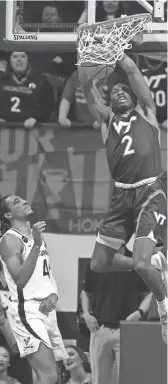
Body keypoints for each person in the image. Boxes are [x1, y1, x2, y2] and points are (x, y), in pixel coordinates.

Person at [77, 49, 167, 343]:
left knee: (140, 264)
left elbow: (129, 70)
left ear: (133, 98)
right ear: (110, 102)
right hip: (121, 196)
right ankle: (158, 262)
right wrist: (87, 57)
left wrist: (116, 50)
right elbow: (86, 86)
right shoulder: (106, 122)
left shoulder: (147, 114)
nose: (119, 92)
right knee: (98, 264)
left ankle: (165, 308)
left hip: (149, 192)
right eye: (114, 92)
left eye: (124, 91)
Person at [0, 195, 68, 384]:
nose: (23, 201)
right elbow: (20, 279)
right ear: (8, 214)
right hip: (27, 311)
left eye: (22, 199)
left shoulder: (35, 235)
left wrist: (54, 294)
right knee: (49, 376)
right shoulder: (9, 241)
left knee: (55, 376)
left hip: (47, 309)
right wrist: (37, 245)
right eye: (16, 202)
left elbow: (46, 274)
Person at [80, 249, 153, 384]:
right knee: (98, 381)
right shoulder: (96, 261)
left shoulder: (135, 261)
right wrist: (86, 313)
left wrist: (139, 313)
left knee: (130, 379)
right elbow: (85, 291)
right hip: (99, 329)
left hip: (128, 330)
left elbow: (149, 293)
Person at [0, 52, 55, 128]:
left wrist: (36, 118)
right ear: (10, 60)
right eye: (15, 57)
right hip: (4, 130)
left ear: (28, 60)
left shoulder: (40, 80)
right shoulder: (2, 80)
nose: (19, 59)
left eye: (23, 56)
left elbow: (49, 107)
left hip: (32, 131)